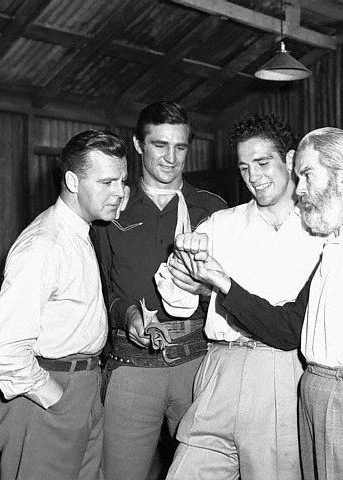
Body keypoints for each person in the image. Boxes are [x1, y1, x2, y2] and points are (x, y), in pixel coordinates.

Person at [175, 127, 343, 480]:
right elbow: (288, 329)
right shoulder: (332, 246)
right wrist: (222, 282)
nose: (299, 190)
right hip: (314, 396)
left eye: (307, 176)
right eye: (298, 177)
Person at [162, 114, 326, 480]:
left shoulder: (319, 230)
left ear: (290, 159)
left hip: (282, 370)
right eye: (244, 167)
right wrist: (189, 264)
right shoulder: (223, 224)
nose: (254, 177)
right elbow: (173, 291)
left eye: (263, 163)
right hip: (220, 366)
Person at [0, 130, 129, 480]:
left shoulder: (79, 230)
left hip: (84, 385)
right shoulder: (43, 245)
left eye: (122, 180)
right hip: (46, 393)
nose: (119, 192)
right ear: (73, 181)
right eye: (107, 182)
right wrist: (56, 399)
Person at [96, 101, 227, 480]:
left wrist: (207, 292)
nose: (170, 158)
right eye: (159, 145)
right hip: (132, 365)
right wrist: (126, 314)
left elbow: (236, 291)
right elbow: (99, 289)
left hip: (198, 364)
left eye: (180, 147)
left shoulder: (213, 209)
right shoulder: (112, 207)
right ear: (138, 145)